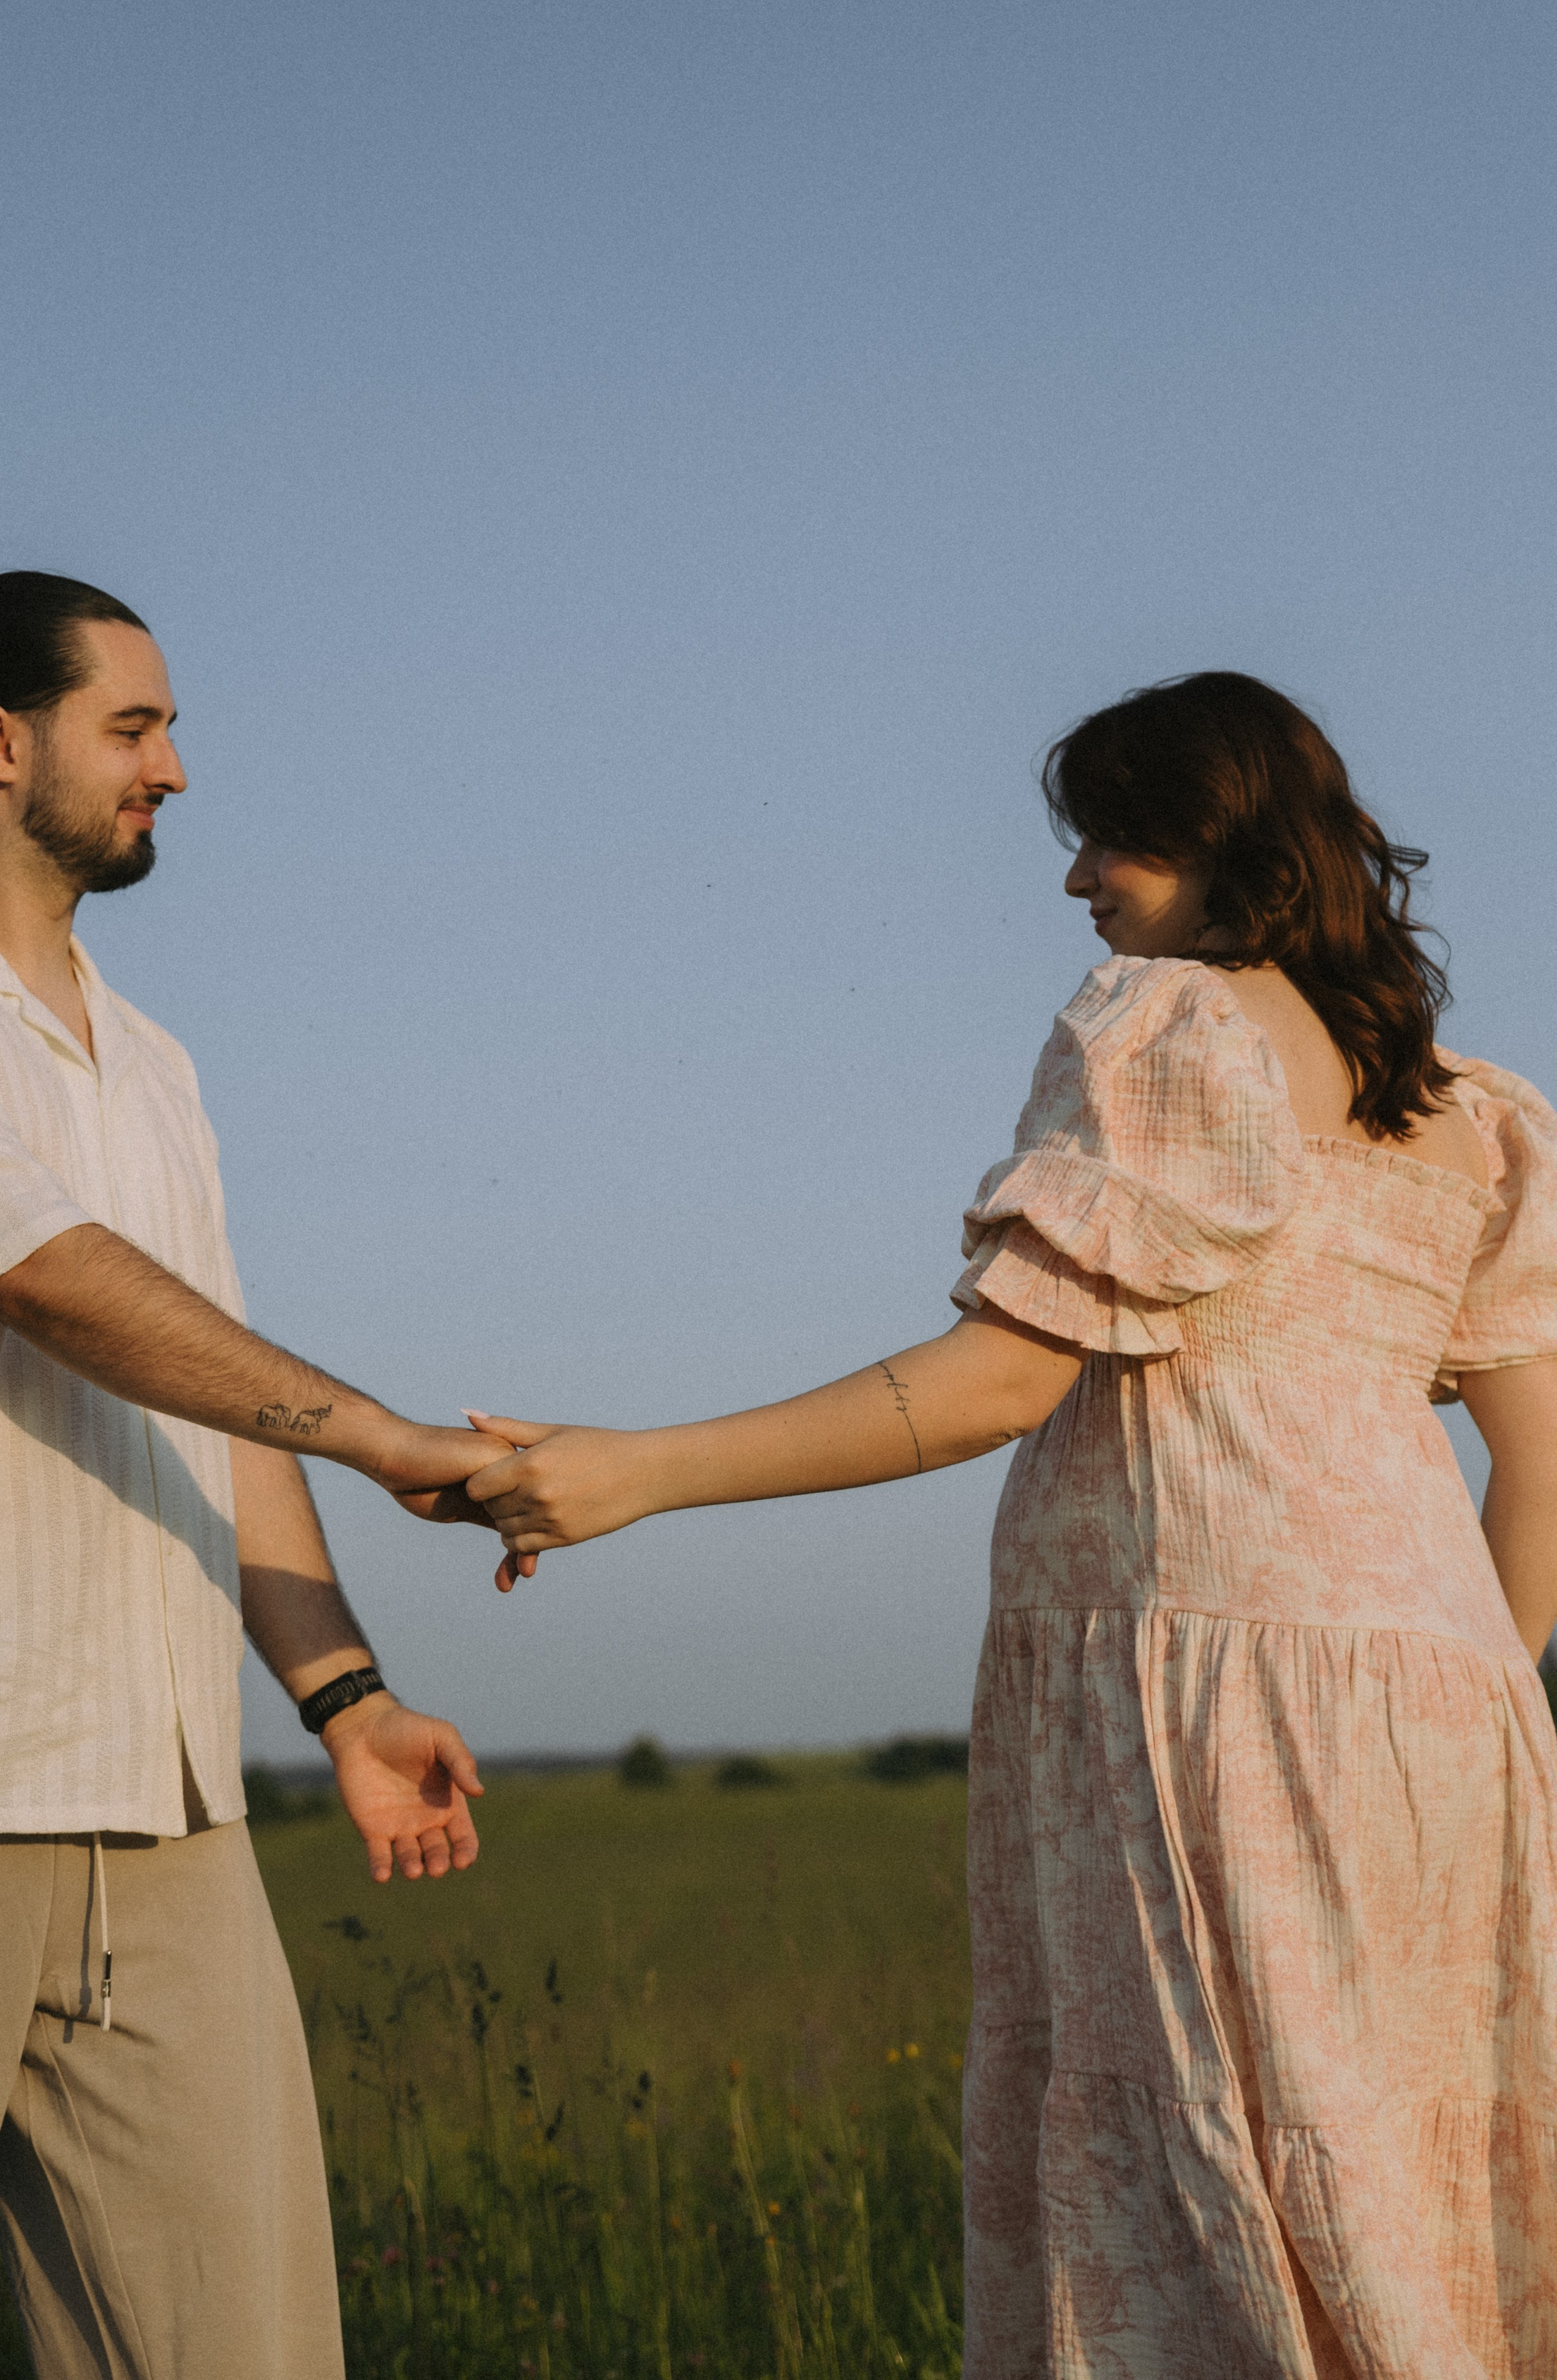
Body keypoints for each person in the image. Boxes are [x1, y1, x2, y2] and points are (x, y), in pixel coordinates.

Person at [465, 672, 1557, 2376]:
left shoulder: (1170, 1028)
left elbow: (992, 1386)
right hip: (1450, 1712)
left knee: (1205, 2206)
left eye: (1113, 839)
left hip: (1202, 1698)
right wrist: (1459, 1691)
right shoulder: (1462, 1114)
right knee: (1392, 2200)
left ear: (1221, 842)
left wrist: (640, 1469)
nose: (1079, 884)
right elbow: (1541, 1466)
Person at [0, 572, 511, 2378]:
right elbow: (50, 1283)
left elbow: (217, 1393)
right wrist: (396, 1436)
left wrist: (345, 1693)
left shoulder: (156, 1063)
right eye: (138, 726)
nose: (175, 768)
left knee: (246, 2349)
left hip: (163, 1814)